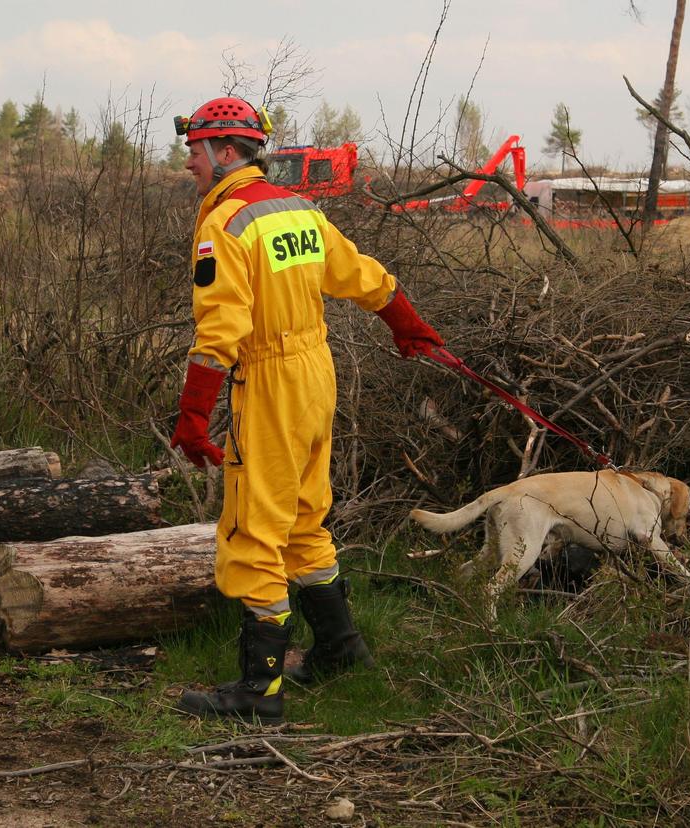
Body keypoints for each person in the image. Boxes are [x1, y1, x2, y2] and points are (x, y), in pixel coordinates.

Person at [169, 98, 444, 723]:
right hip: (316, 378)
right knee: (302, 518)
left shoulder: (227, 222)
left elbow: (220, 333)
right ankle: (342, 649)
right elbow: (361, 274)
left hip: (267, 383)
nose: (188, 162)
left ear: (226, 153)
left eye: (195, 150)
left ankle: (258, 690)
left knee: (253, 531)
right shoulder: (295, 208)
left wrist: (190, 417)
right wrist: (406, 324)